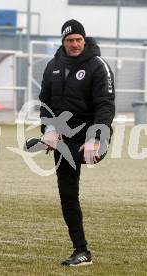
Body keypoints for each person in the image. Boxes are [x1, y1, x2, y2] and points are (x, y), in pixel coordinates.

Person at [38, 19, 115, 266]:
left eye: (79, 40)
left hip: (94, 135)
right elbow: (46, 103)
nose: (75, 44)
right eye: (70, 40)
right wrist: (49, 130)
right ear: (63, 42)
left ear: (85, 39)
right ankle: (81, 251)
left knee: (86, 155)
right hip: (65, 139)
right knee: (67, 194)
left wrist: (95, 138)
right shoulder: (52, 67)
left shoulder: (98, 65)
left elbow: (105, 105)